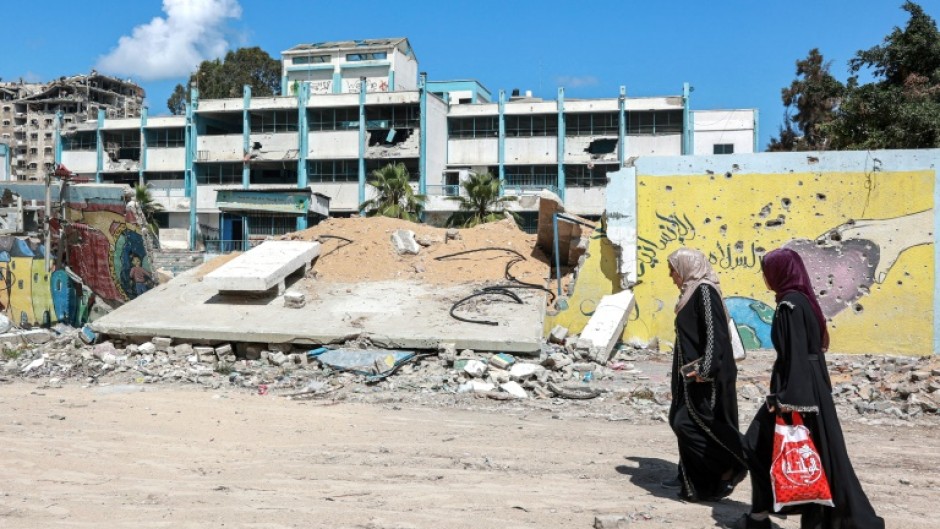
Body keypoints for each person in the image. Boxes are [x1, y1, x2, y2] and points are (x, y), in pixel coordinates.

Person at [734, 248, 884, 529]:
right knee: (818, 455)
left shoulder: (789, 305)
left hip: (797, 389)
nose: (765, 277)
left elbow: (798, 354)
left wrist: (787, 399)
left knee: (755, 445)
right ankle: (764, 517)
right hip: (808, 387)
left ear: (780, 272)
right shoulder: (802, 300)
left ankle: (761, 518)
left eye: (767, 271)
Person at [666, 247, 748, 502]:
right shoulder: (690, 292)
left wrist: (705, 369)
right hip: (688, 374)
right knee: (679, 419)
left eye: (673, 269)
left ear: (687, 267)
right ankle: (694, 480)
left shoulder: (704, 290)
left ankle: (733, 463)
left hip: (706, 375)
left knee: (694, 423)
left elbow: (716, 333)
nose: (671, 275)